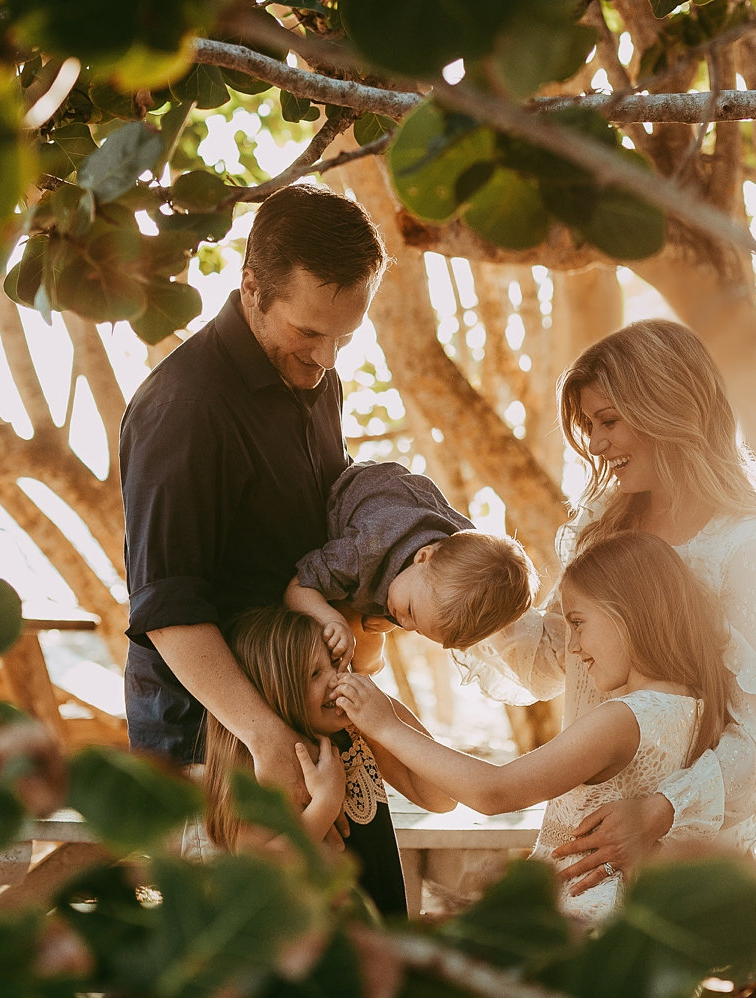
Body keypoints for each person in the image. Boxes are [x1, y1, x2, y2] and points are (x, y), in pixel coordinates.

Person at [455, 319, 756, 896]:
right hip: (579, 830)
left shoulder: (749, 552)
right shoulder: (602, 526)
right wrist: (460, 583)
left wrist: (662, 810)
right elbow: (550, 661)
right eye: (590, 426)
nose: (595, 445)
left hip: (669, 849)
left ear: (669, 407)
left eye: (608, 421)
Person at [120, 184, 385, 803]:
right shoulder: (184, 407)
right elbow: (168, 606)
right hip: (212, 744)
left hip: (303, 715)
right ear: (251, 289)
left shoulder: (319, 377)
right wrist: (267, 737)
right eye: (310, 332)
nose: (325, 357)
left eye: (344, 337)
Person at [333, 531, 731, 922]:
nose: (573, 648)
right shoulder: (692, 707)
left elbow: (495, 792)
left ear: (629, 613)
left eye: (578, 622)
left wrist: (386, 727)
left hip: (580, 916)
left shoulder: (623, 718)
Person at [203, 606, 454, 917]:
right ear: (274, 693)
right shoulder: (261, 772)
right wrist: (324, 806)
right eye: (314, 674)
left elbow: (442, 796)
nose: (336, 680)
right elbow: (254, 876)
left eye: (336, 665)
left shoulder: (355, 736)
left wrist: (385, 717)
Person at [284, 460, 536, 670]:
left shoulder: (445, 569)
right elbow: (298, 587)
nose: (404, 625)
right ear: (423, 556)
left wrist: (400, 614)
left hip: (412, 538)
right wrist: (332, 621)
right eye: (411, 612)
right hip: (367, 491)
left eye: (417, 629)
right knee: (356, 635)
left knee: (371, 643)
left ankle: (365, 676)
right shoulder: (362, 550)